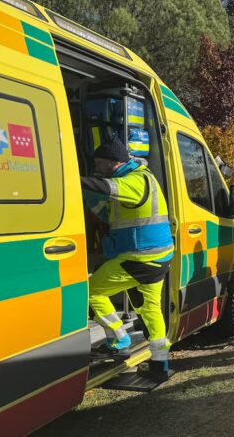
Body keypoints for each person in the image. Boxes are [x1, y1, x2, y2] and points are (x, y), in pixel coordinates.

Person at [81, 138, 174, 380]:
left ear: (114, 162)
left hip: (140, 259)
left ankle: (119, 339)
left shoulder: (133, 181)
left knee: (91, 292)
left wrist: (69, 178)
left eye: (100, 162)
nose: (97, 167)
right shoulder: (142, 178)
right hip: (156, 258)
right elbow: (110, 210)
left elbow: (105, 188)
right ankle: (160, 365)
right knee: (150, 309)